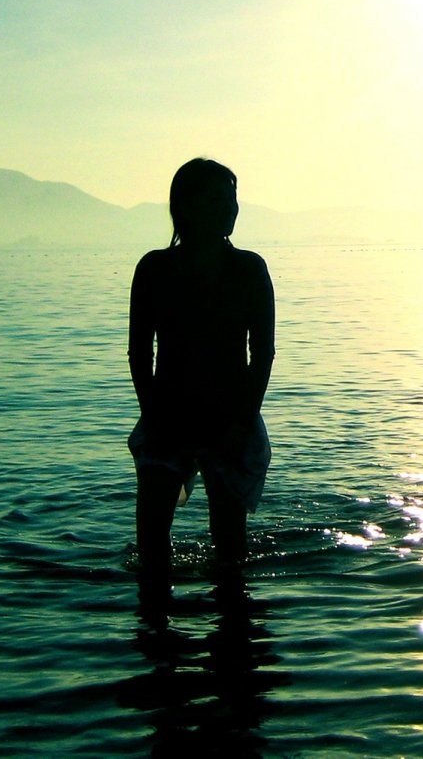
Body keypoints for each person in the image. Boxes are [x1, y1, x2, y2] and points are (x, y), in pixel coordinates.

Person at [128, 158, 275, 604]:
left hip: (229, 417)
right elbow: (140, 354)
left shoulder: (249, 269)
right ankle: (155, 629)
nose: (230, 208)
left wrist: (242, 422)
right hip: (167, 415)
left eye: (232, 199)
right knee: (152, 546)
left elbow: (262, 355)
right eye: (217, 199)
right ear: (185, 207)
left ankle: (232, 626)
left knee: (230, 550)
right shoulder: (154, 269)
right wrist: (153, 417)